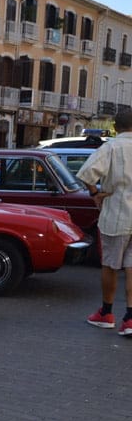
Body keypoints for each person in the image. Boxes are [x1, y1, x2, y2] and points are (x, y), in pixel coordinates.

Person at [77, 108, 132, 335]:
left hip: (116, 213)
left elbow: (86, 173)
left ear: (116, 127)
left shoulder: (111, 147)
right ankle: (130, 318)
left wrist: (94, 193)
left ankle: (106, 313)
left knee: (110, 265)